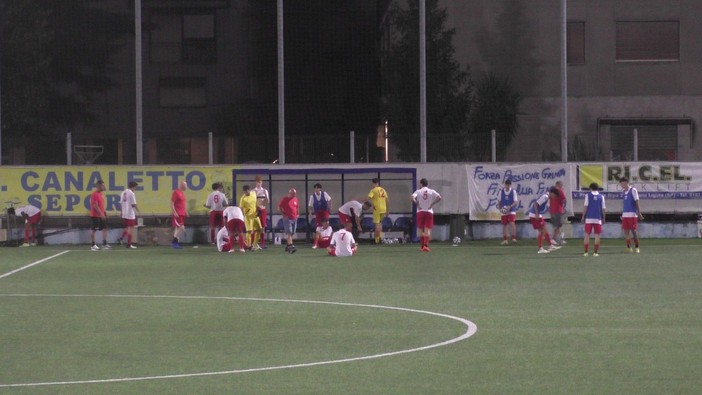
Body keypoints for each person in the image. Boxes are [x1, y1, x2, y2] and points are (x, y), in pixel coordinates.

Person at [411, 178, 442, 252]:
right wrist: (432, 204)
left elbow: (412, 198)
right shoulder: (431, 191)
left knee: (420, 229)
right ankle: (426, 245)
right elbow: (439, 197)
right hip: (429, 211)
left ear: (421, 184)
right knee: (427, 229)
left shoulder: (418, 191)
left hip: (420, 211)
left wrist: (417, 203)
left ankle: (422, 246)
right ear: (427, 184)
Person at [527, 187, 561, 254]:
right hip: (534, 215)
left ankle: (550, 245)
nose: (554, 197)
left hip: (538, 214)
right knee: (541, 231)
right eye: (555, 195)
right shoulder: (545, 197)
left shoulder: (547, 198)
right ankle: (540, 248)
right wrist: (536, 214)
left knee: (545, 229)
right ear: (552, 193)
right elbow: (535, 204)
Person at [582, 182, 606, 256]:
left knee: (587, 235)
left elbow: (585, 207)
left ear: (590, 188)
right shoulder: (601, 196)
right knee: (597, 235)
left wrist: (583, 216)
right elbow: (603, 209)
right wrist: (604, 218)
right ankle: (595, 252)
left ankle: (586, 252)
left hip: (589, 218)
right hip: (598, 218)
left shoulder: (588, 195)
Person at [620, 177, 643, 253]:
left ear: (626, 183)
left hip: (632, 214)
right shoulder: (623, 192)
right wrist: (622, 213)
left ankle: (637, 247)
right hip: (625, 215)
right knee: (626, 232)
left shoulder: (633, 190)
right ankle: (629, 247)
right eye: (621, 184)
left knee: (634, 231)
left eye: (622, 183)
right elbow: (624, 204)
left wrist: (639, 212)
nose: (621, 185)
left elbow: (637, 201)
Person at [118, 181, 140, 249]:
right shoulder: (131, 193)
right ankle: (129, 243)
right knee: (131, 228)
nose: (135, 189)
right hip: (130, 213)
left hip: (124, 213)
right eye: (135, 187)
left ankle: (121, 238)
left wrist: (121, 212)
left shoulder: (123, 192)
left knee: (127, 227)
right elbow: (133, 204)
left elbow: (121, 203)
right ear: (133, 187)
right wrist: (139, 211)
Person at [90, 180, 111, 251]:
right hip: (95, 216)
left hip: (101, 215)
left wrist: (105, 213)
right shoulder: (94, 194)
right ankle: (93, 245)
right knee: (94, 230)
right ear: (98, 186)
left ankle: (104, 244)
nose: (104, 186)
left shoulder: (101, 194)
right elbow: (95, 206)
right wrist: (101, 214)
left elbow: (101, 206)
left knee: (105, 229)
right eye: (102, 185)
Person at [239, 185, 262, 250]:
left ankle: (255, 244)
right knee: (249, 231)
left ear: (249, 190)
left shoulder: (253, 193)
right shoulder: (243, 198)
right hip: (248, 217)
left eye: (246, 191)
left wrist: (258, 207)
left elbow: (256, 201)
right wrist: (242, 216)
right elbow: (240, 208)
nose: (245, 193)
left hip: (255, 215)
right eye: (244, 191)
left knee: (259, 230)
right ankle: (248, 246)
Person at [497, 179, 518, 245]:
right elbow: (499, 201)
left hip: (511, 210)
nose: (508, 186)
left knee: (512, 223)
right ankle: (505, 239)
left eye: (509, 185)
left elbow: (515, 202)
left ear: (510, 185)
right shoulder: (501, 192)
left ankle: (513, 238)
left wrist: (510, 206)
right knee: (504, 225)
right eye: (507, 185)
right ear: (505, 185)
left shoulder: (513, 191)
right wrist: (500, 209)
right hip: (504, 210)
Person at [368, 178, 389, 244]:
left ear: (373, 183)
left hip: (377, 209)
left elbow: (369, 198)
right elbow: (387, 200)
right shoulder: (383, 190)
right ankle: (381, 238)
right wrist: (387, 210)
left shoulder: (373, 190)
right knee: (380, 224)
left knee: (377, 225)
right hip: (384, 208)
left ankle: (376, 240)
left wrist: (372, 205)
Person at [278, 188, 299, 253]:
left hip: (294, 218)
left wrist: (298, 214)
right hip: (287, 219)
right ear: (290, 193)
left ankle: (288, 246)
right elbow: (279, 207)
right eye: (293, 194)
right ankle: (291, 246)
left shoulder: (295, 199)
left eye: (295, 194)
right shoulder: (285, 199)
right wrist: (283, 215)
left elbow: (297, 207)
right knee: (289, 232)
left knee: (292, 232)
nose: (294, 195)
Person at [253, 175, 270, 249]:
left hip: (263, 210)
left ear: (262, 182)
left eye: (259, 182)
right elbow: (252, 201)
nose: (258, 183)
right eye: (257, 182)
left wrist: (265, 197)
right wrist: (256, 194)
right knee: (255, 227)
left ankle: (263, 243)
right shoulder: (253, 191)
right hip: (256, 210)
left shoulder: (265, 191)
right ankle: (254, 243)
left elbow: (268, 201)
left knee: (263, 227)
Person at [170, 180, 188, 249]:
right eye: (185, 185)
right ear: (182, 185)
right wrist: (174, 212)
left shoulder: (182, 193)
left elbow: (182, 204)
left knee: (178, 228)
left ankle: (176, 244)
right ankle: (174, 242)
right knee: (181, 227)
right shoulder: (176, 192)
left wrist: (185, 212)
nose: (186, 187)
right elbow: (172, 203)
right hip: (178, 213)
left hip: (182, 213)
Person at [549, 180, 567, 246]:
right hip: (558, 210)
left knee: (555, 226)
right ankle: (553, 239)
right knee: (558, 226)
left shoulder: (551, 192)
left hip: (552, 211)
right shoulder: (560, 191)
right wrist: (563, 207)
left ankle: (559, 239)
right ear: (560, 185)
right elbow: (564, 200)